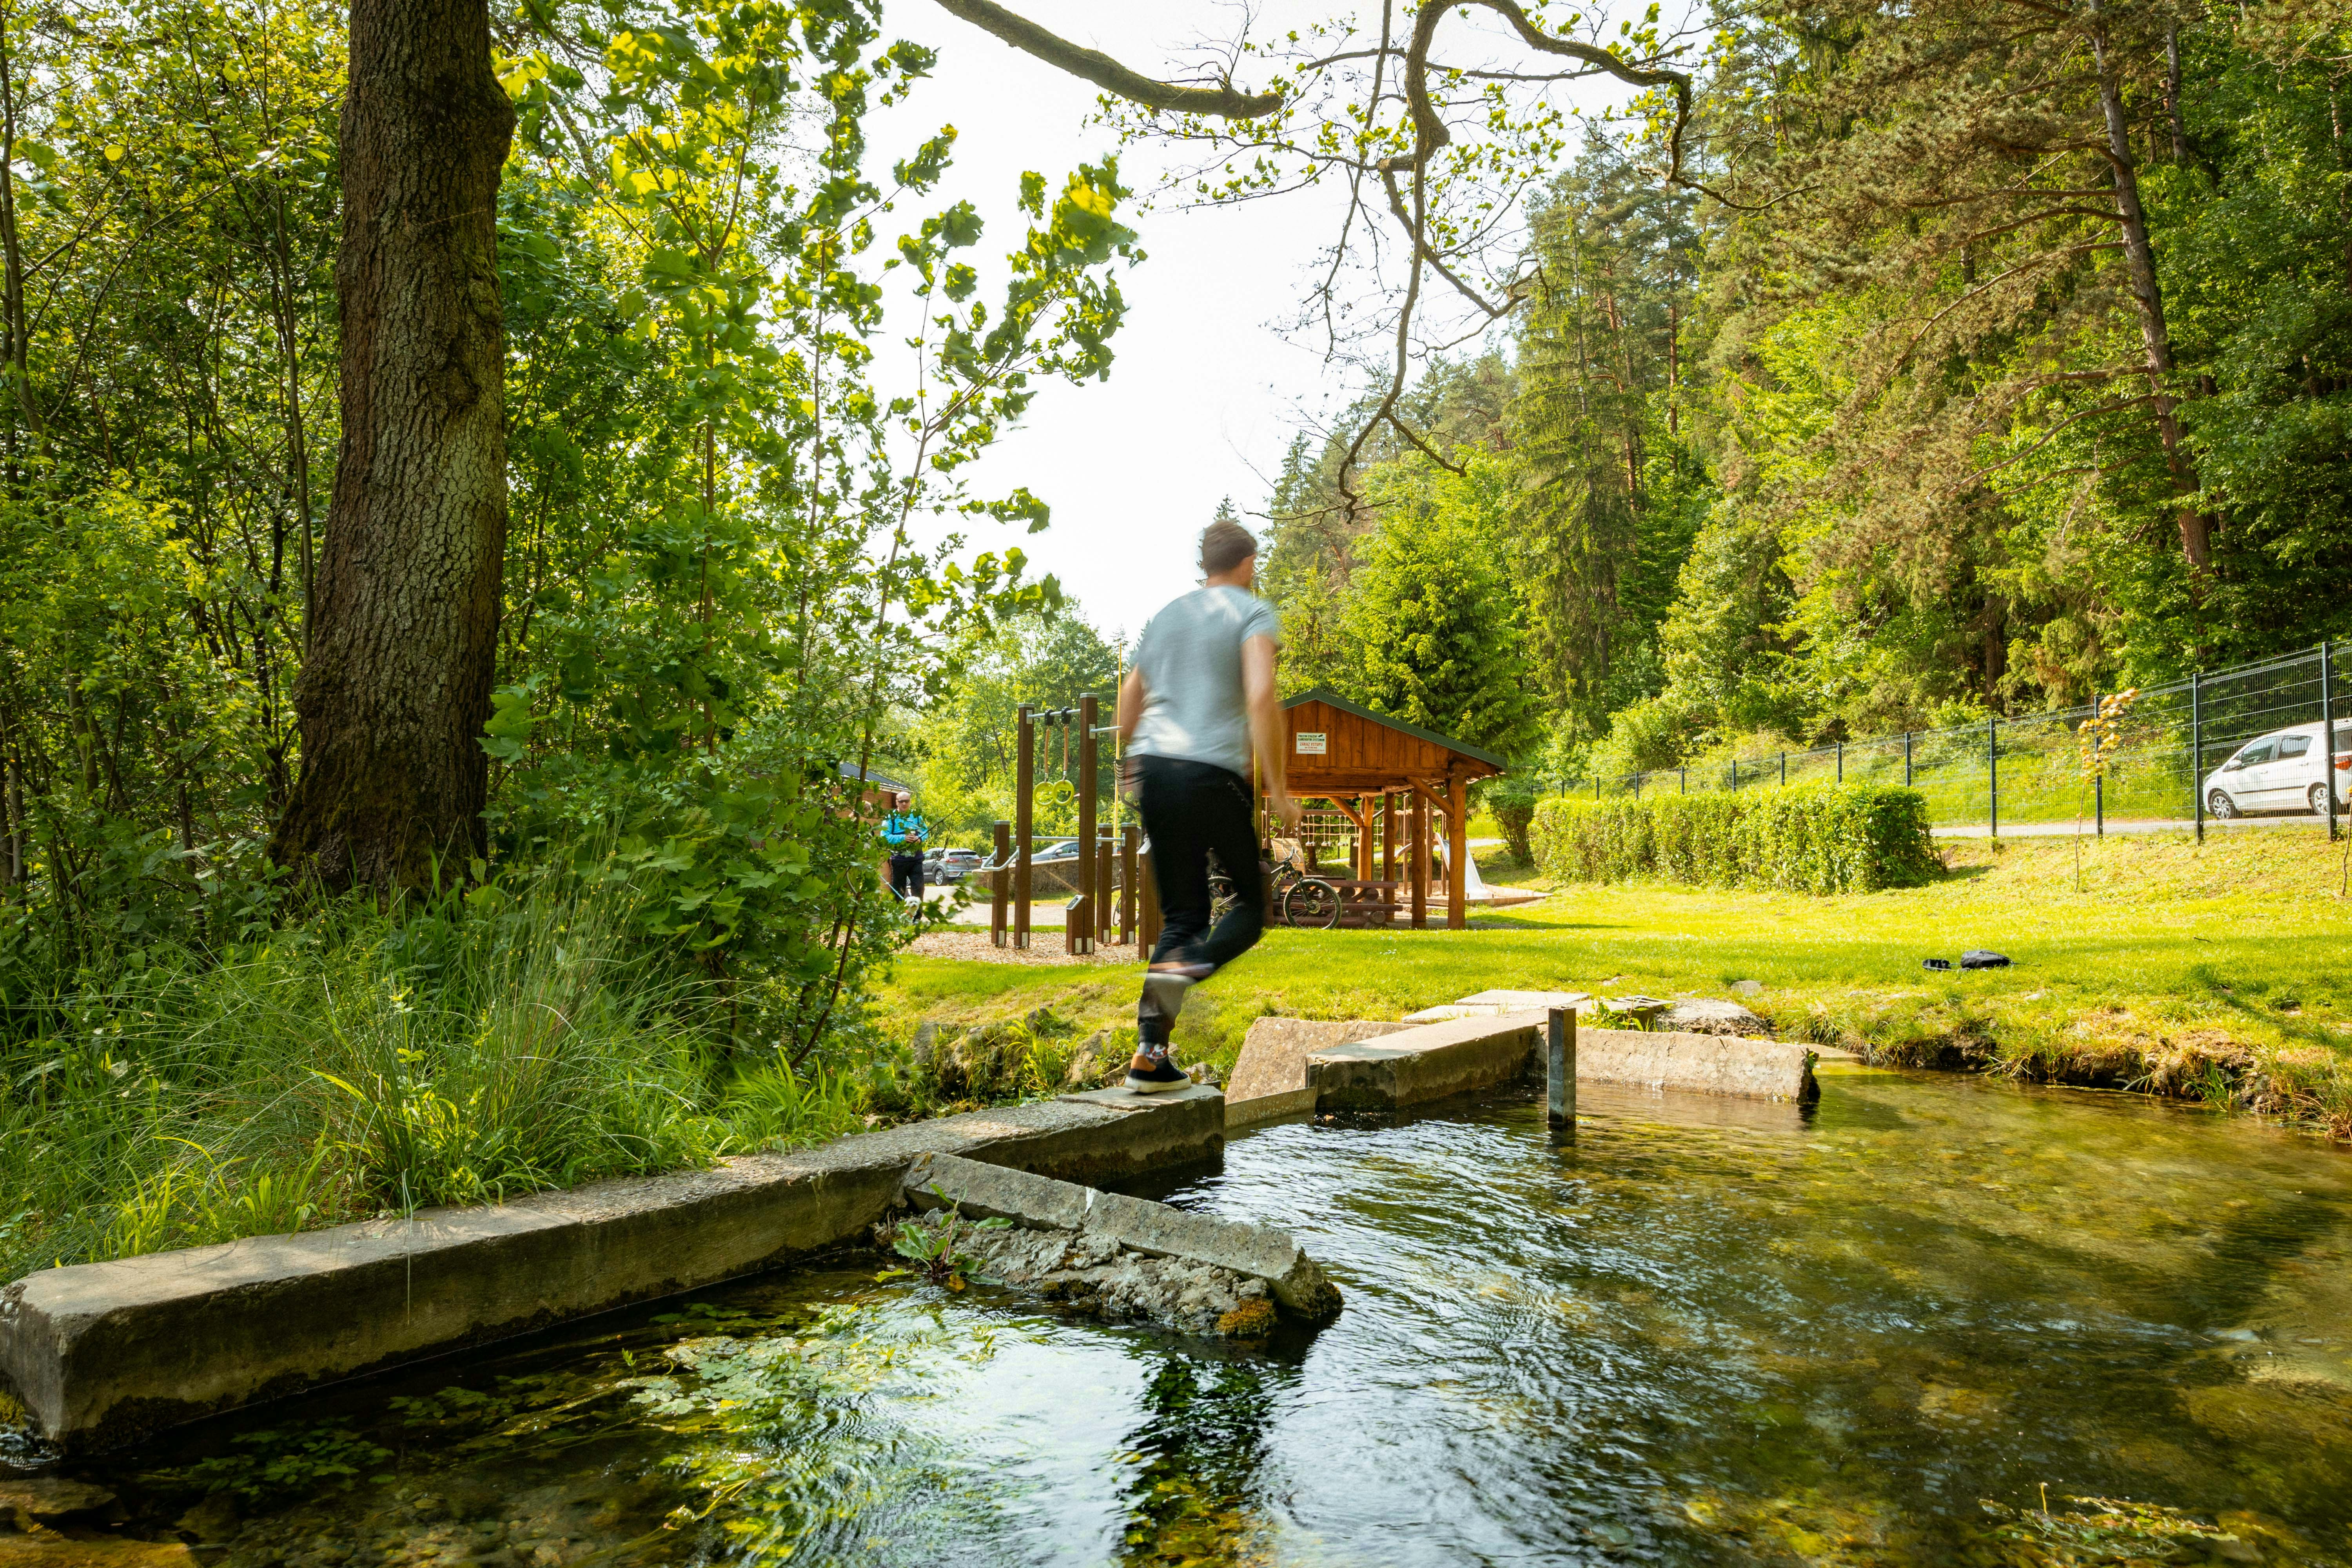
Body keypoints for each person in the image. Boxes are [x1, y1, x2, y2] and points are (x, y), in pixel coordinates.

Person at [1115, 516, 1301, 1092]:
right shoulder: (1252, 612)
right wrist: (1278, 787)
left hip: (1156, 773)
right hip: (1213, 775)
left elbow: (1128, 704)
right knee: (1251, 904)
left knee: (1183, 917)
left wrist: (1138, 768)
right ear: (1247, 564)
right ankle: (1193, 966)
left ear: (1205, 564)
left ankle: (1150, 1055)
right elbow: (1261, 695)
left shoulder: (1168, 615)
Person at [882, 793, 927, 904]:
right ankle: (899, 913)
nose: (904, 804)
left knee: (919, 889)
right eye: (901, 802)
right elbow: (885, 837)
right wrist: (903, 838)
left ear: (910, 802)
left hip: (916, 860)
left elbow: (925, 832)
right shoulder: (891, 817)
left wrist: (920, 838)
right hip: (899, 860)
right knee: (898, 891)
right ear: (897, 803)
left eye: (907, 801)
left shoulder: (917, 816)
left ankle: (917, 914)